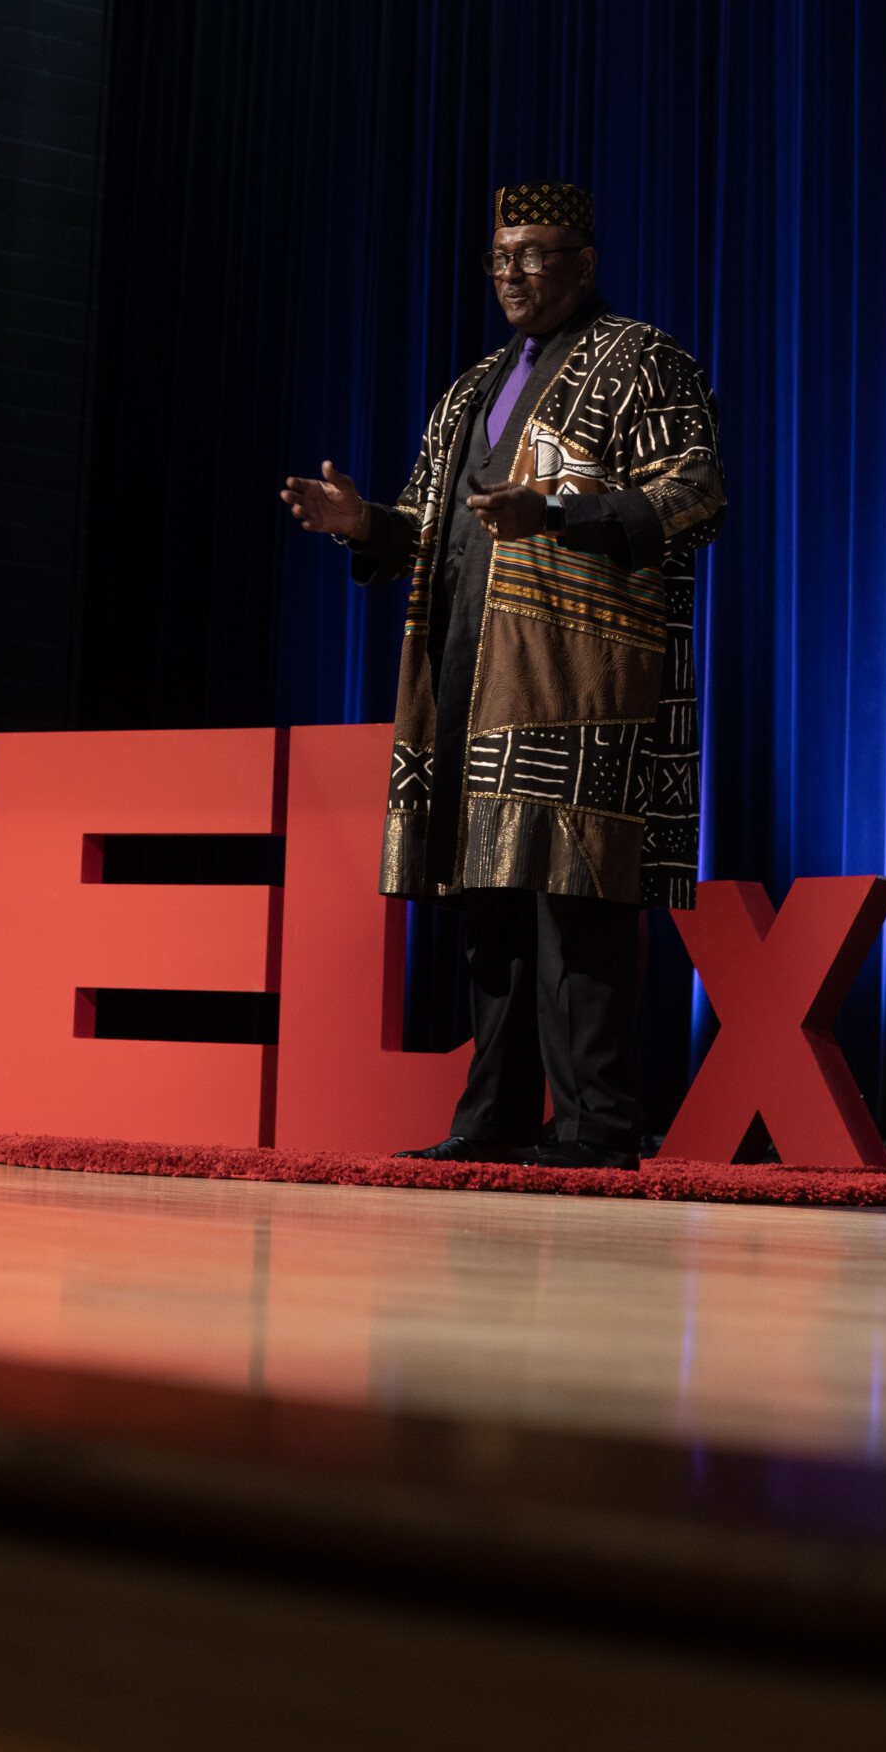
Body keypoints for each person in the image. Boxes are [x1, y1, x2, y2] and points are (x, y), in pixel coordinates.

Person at [281, 182, 723, 1168]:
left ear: (583, 261)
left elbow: (696, 494)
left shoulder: (642, 359)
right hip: (468, 673)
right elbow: (426, 527)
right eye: (499, 258)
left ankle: (596, 1128)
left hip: (580, 679)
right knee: (488, 901)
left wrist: (558, 514)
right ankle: (493, 1121)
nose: (512, 274)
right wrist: (364, 524)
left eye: (533, 254)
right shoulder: (471, 389)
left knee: (577, 905)